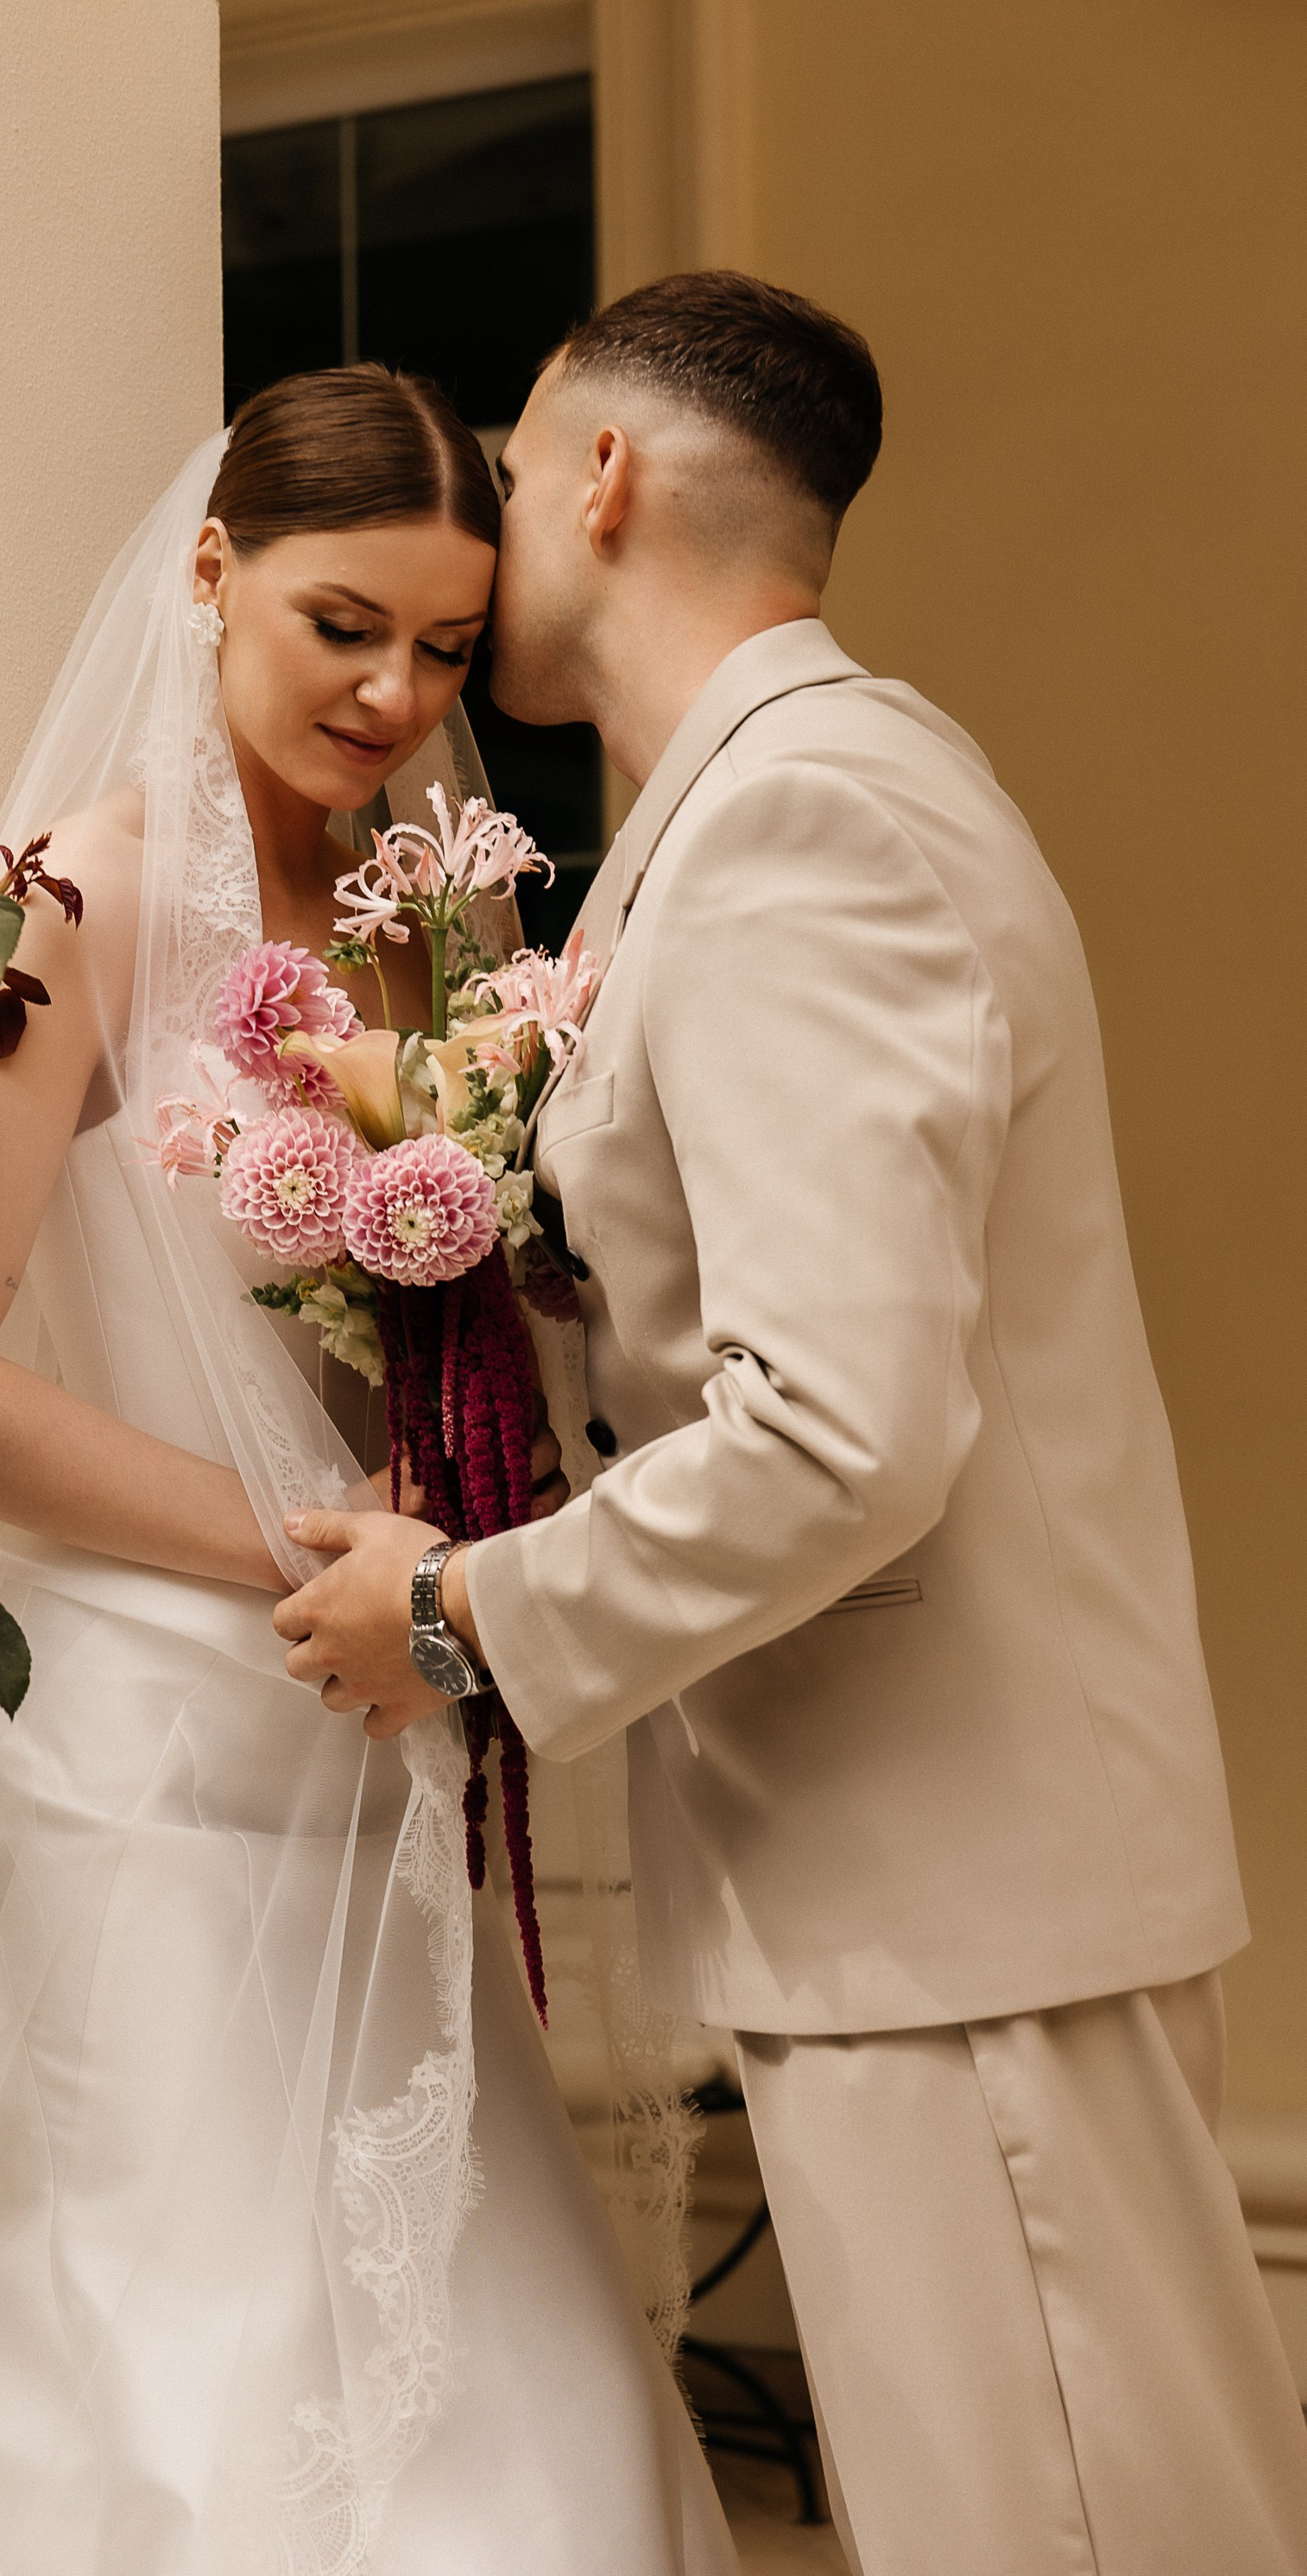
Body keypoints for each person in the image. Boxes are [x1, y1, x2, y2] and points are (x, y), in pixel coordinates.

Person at [276, 274, 1307, 2576]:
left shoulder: (803, 826)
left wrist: (461, 1614)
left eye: (511, 472)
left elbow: (841, 1426)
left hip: (969, 1906)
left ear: (602, 476)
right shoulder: (749, 811)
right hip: (939, 1890)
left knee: (1061, 2530)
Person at [0, 369, 738, 2576]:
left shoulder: (423, 932)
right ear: (207, 569)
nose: (392, 691)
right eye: (345, 622)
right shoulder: (74, 897)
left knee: (475, 2341)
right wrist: (293, 1548)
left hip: (376, 1719)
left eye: (445, 648)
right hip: (146, 1740)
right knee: (189, 2354)